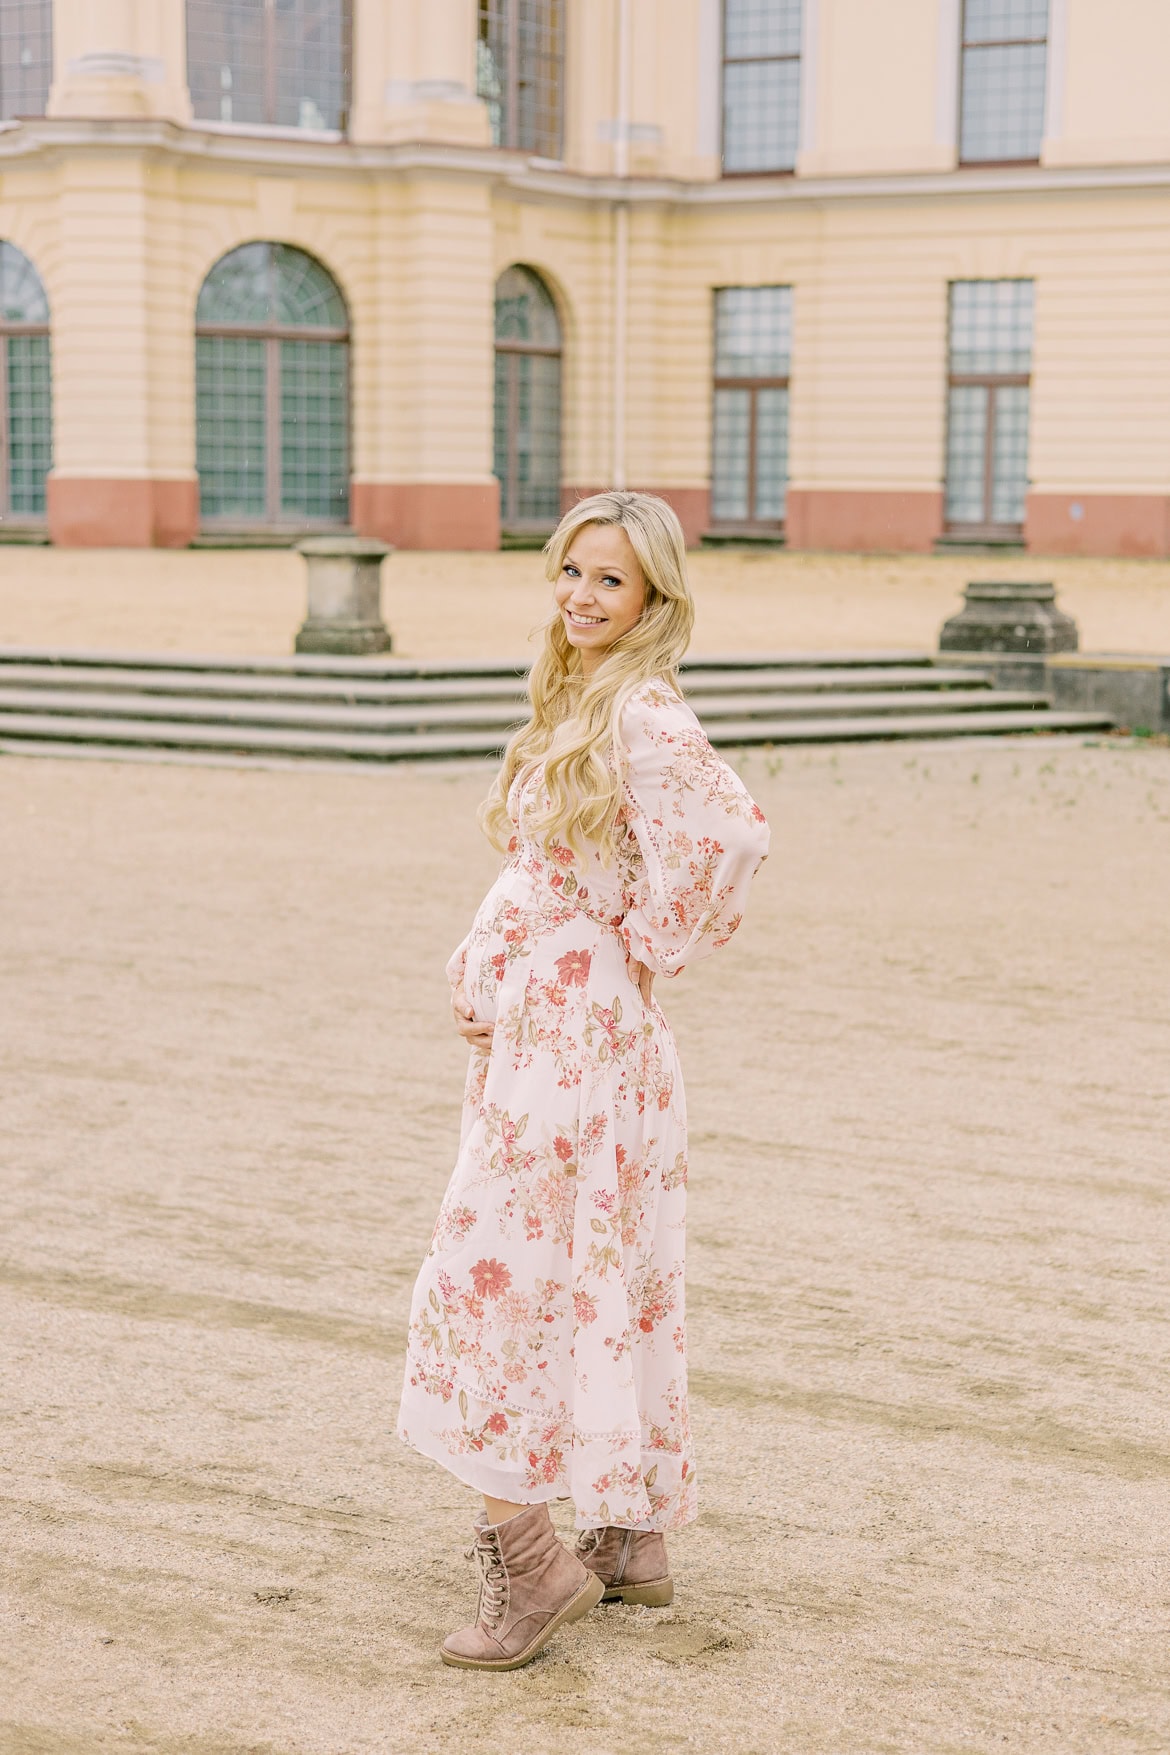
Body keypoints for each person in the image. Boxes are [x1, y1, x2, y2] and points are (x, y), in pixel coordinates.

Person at [398, 491, 770, 1671]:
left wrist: (636, 938)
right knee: (603, 1267)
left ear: (654, 597)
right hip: (564, 1033)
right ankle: (629, 1535)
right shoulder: (587, 699)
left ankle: (532, 1560)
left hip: (577, 1041)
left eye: (610, 581)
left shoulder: (643, 714)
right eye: (571, 571)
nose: (581, 595)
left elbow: (733, 834)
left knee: (492, 1275)